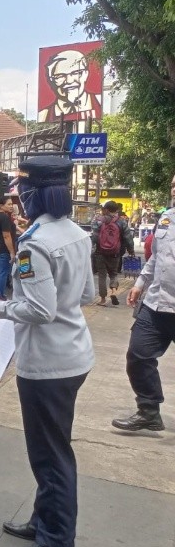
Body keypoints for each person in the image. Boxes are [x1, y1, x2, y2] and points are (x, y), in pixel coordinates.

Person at [0, 155, 95, 547]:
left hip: (47, 364)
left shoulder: (35, 243)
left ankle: (57, 541)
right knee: (53, 446)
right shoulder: (76, 234)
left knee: (49, 455)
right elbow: (88, 294)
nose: (18, 199)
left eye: (21, 192)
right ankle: (44, 520)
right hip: (74, 354)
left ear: (33, 193)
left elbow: (39, 309)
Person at [111, 173, 175, 432]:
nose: (174, 189)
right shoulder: (167, 218)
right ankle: (148, 411)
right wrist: (139, 284)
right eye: (173, 184)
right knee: (138, 355)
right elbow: (156, 258)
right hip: (156, 303)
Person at [38, 49, 102, 122]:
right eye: (60, 76)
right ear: (51, 80)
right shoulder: (43, 116)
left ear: (86, 74)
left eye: (76, 73)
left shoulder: (100, 102)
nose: (69, 81)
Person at [90, 200, 135, 306]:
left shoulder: (98, 221)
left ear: (106, 210)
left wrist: (90, 248)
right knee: (113, 274)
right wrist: (131, 250)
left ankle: (102, 299)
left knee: (102, 275)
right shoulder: (121, 221)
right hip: (115, 253)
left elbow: (95, 237)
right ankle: (114, 291)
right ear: (116, 210)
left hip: (100, 252)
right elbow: (128, 238)